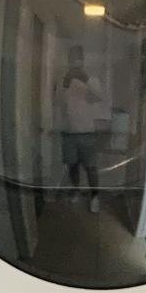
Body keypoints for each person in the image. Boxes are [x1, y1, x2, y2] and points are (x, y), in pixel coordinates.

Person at [57, 45, 103, 213]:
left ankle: (95, 197)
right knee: (72, 166)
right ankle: (75, 190)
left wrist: (85, 78)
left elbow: (99, 97)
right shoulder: (64, 79)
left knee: (91, 167)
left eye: (78, 57)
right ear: (69, 60)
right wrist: (65, 84)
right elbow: (59, 103)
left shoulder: (92, 79)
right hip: (68, 132)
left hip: (87, 132)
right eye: (72, 57)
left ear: (82, 60)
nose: (75, 61)